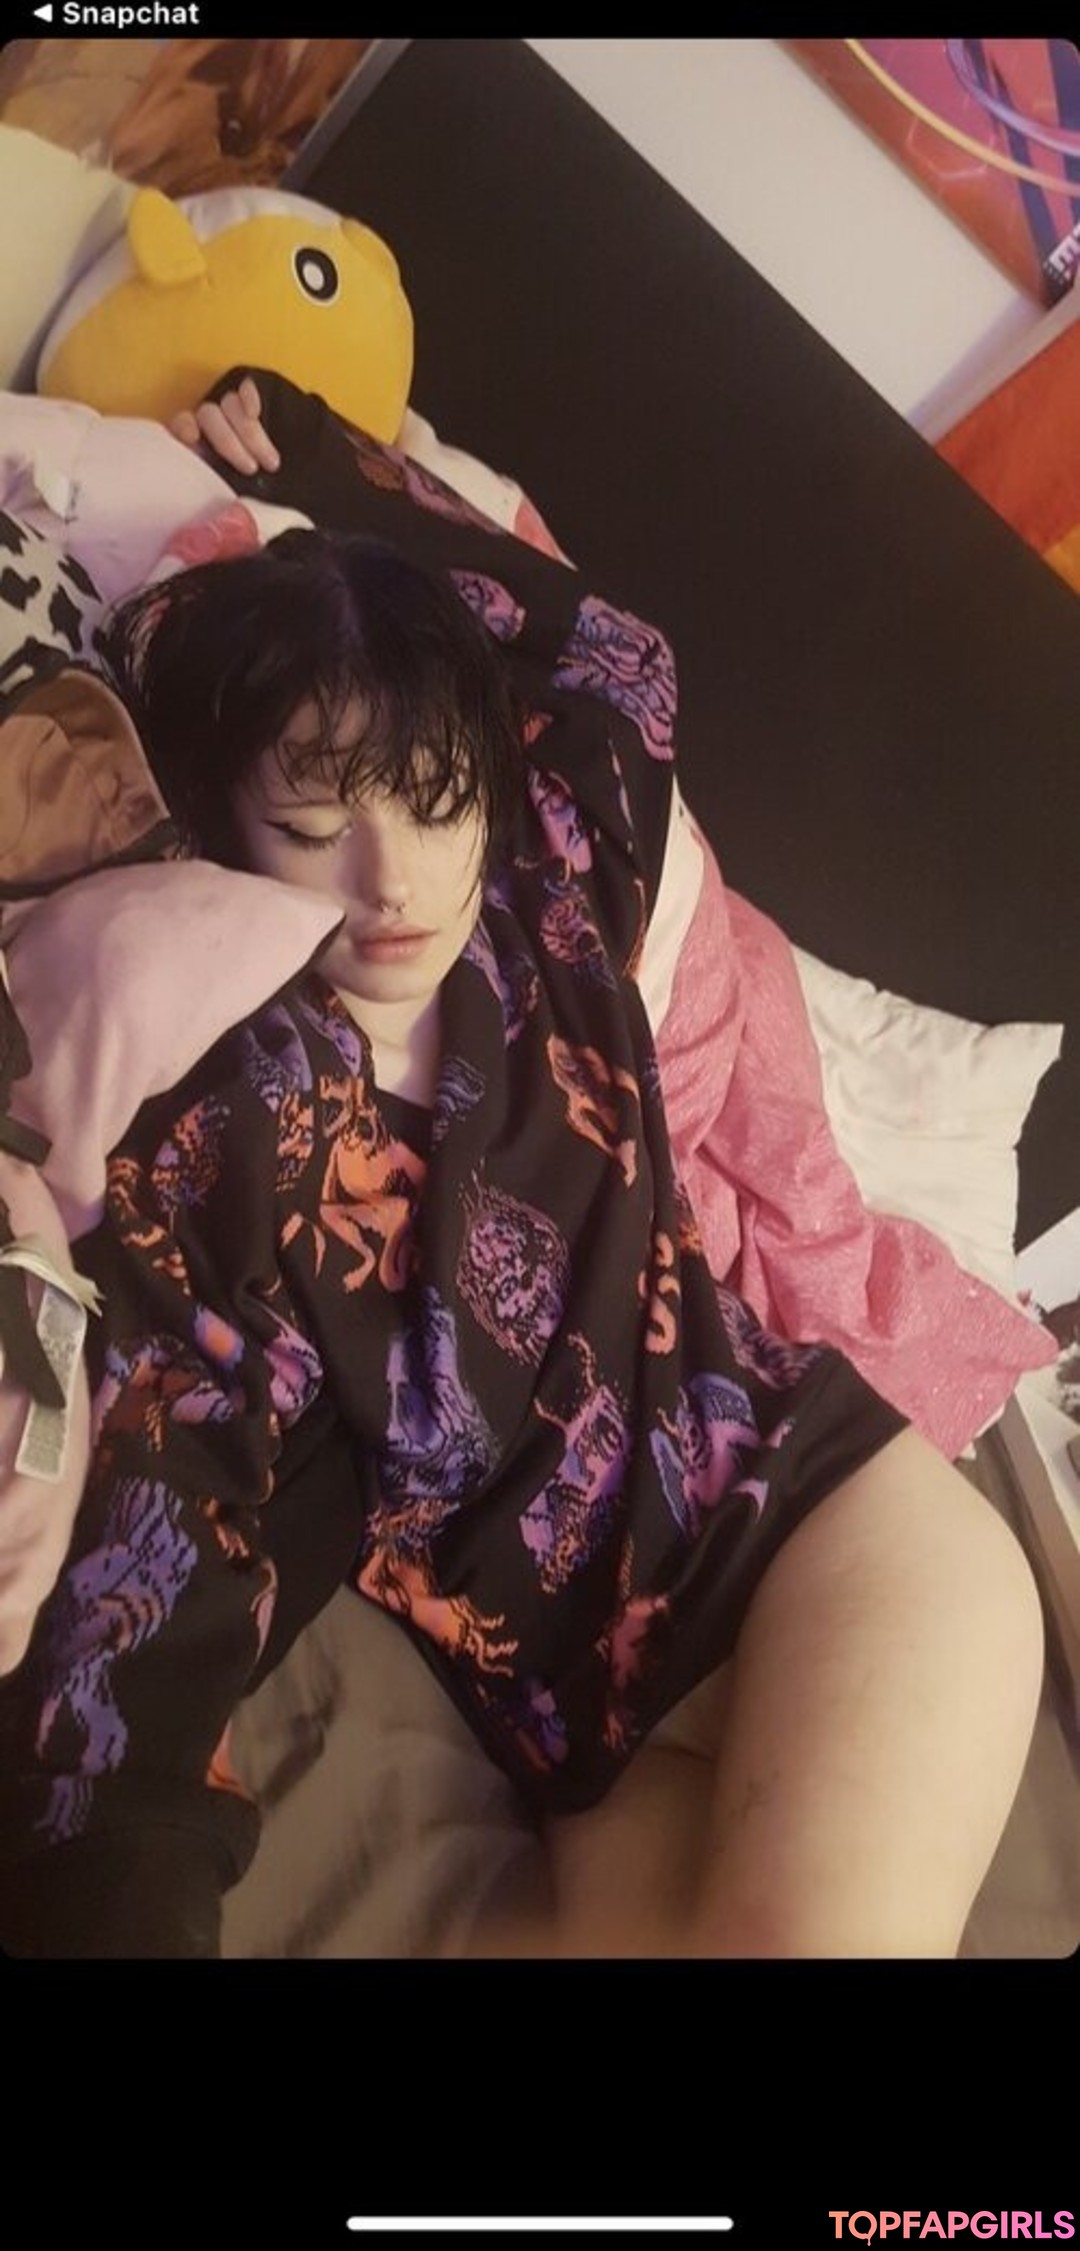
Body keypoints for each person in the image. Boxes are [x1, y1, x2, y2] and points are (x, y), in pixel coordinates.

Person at [0, 477, 1043, 1957]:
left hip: (815, 1529)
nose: (394, 882)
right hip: (578, 1734)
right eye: (312, 825)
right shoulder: (227, 1109)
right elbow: (153, 1538)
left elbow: (618, 652)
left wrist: (315, 483)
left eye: (436, 801)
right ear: (226, 820)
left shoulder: (553, 885)